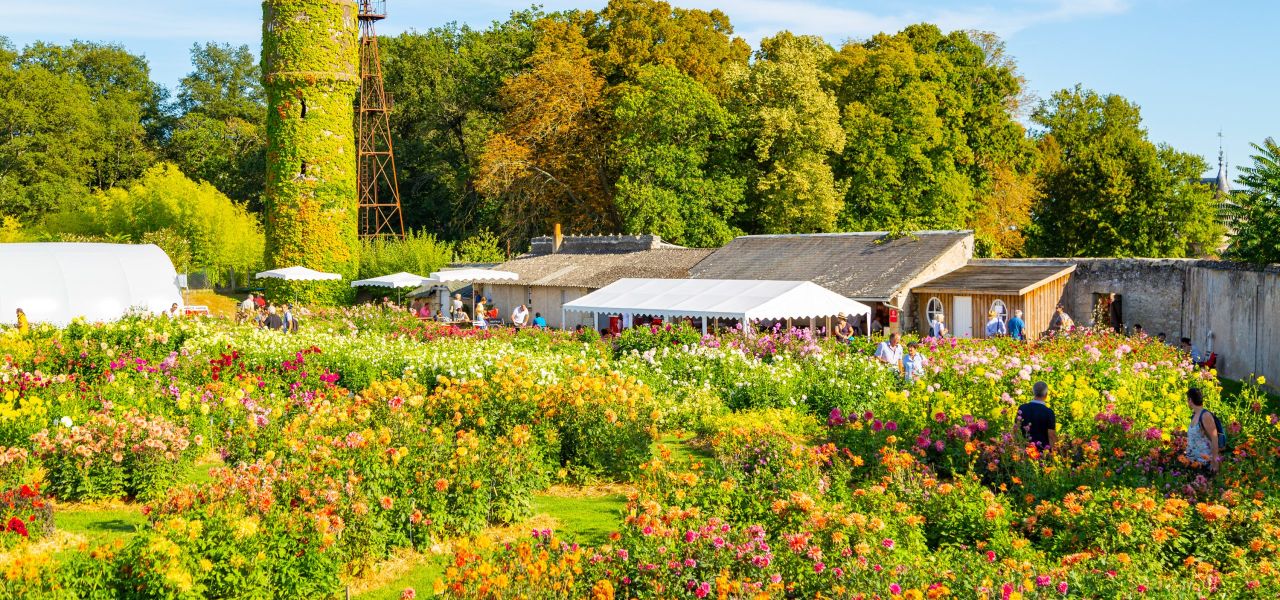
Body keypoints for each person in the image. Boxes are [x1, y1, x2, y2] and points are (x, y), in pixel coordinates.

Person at [1185, 387, 1221, 473]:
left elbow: (1214, 437)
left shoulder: (1205, 415)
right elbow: (1197, 435)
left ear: (1190, 400)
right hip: (1193, 462)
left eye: (1187, 399)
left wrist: (1215, 461)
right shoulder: (1195, 415)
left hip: (1205, 463)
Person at [1016, 381, 1057, 450]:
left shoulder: (1022, 408)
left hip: (1025, 449)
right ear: (1046, 394)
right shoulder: (1049, 412)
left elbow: (1016, 429)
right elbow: (1051, 435)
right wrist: (1056, 452)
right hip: (1043, 452)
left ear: (1033, 392)